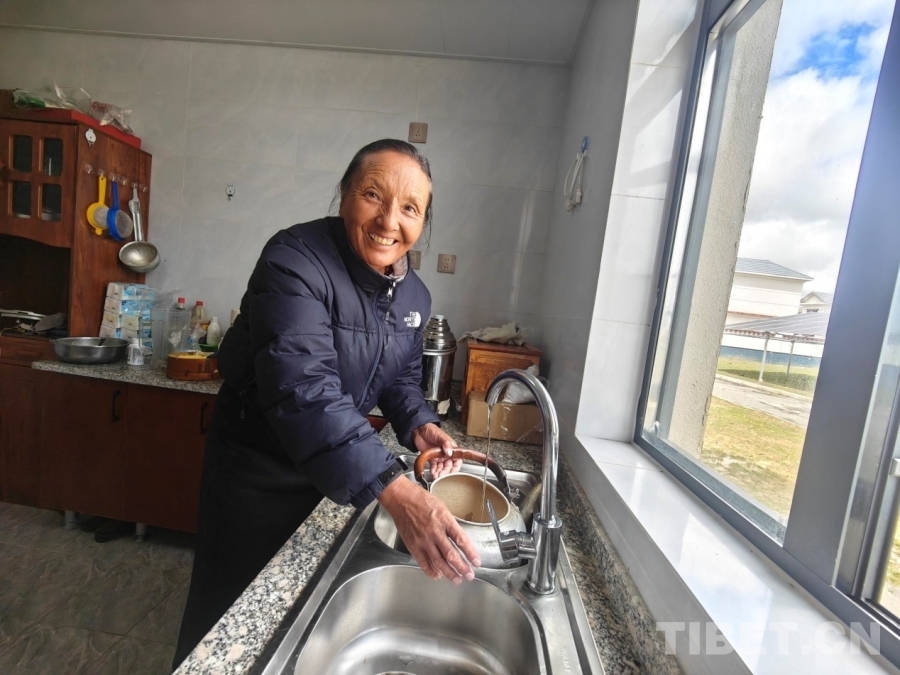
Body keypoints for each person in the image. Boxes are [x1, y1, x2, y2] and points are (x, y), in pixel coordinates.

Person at [172, 139, 481, 668]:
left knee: (298, 616)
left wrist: (419, 424)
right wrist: (395, 489)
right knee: (227, 622)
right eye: (373, 195)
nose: (389, 221)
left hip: (335, 468)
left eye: (410, 208)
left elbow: (401, 378)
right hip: (257, 472)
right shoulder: (293, 259)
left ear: (423, 223)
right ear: (344, 195)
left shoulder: (414, 296)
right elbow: (305, 390)